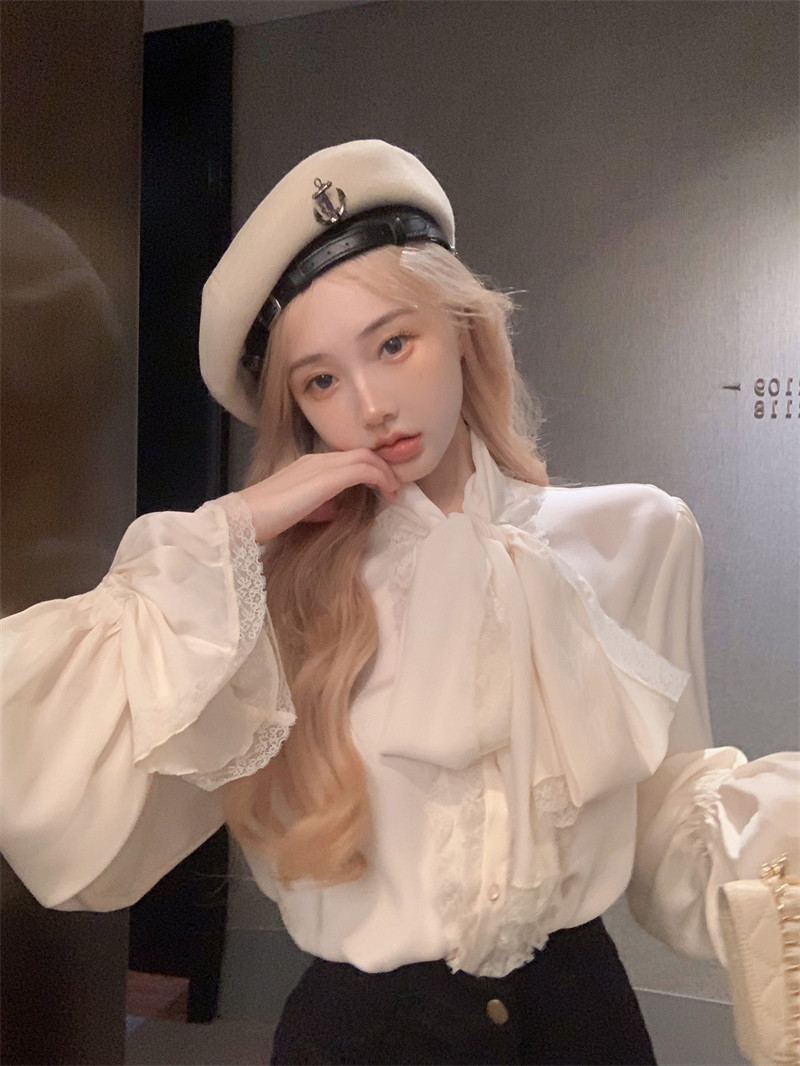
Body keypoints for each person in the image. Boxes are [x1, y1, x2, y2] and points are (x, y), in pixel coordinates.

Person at [1, 140, 796, 1065]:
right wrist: (235, 526)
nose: (372, 404)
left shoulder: (638, 536)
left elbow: (664, 819)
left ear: (461, 328)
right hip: (363, 1038)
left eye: (392, 343)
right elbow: (44, 760)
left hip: (583, 1028)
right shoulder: (255, 589)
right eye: (321, 380)